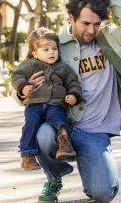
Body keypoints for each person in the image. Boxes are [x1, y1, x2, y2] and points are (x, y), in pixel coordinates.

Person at [27, 0, 121, 203]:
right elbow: (23, 77)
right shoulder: (53, 45)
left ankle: (94, 162)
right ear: (71, 18)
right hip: (61, 129)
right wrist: (24, 89)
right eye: (85, 23)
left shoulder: (110, 41)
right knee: (42, 135)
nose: (91, 30)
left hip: (95, 132)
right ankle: (54, 177)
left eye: (97, 24)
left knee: (104, 194)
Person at [11, 27, 83, 171]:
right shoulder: (30, 64)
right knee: (31, 124)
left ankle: (65, 144)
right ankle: (28, 156)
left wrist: (74, 96)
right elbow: (16, 76)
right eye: (46, 50)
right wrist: (23, 86)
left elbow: (73, 82)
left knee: (59, 120)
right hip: (34, 104)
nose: (51, 52)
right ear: (35, 54)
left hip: (55, 104)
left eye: (54, 49)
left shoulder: (63, 67)